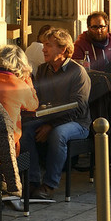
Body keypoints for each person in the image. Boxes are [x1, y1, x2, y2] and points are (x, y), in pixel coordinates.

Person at [21, 29, 90, 203]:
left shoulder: (77, 72)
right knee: (25, 129)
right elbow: (37, 98)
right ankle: (32, 180)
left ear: (64, 49)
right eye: (44, 45)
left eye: (48, 46)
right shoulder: (43, 70)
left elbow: (78, 107)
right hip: (49, 118)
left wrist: (51, 125)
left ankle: (50, 185)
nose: (43, 49)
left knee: (58, 134)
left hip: (77, 123)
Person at [0, 44, 39, 152]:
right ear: (21, 65)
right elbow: (34, 105)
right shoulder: (19, 86)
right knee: (29, 136)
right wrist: (27, 80)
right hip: (7, 144)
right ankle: (33, 169)